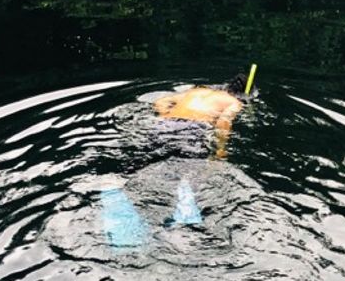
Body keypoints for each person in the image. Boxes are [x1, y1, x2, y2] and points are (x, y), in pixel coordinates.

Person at [99, 72, 253, 247]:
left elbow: (160, 102)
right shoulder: (234, 102)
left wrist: (168, 118)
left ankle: (114, 183)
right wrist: (220, 151)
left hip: (161, 126)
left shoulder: (197, 90)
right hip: (191, 131)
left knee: (144, 161)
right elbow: (224, 122)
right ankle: (177, 221)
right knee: (186, 174)